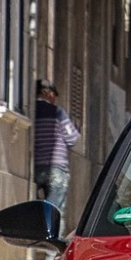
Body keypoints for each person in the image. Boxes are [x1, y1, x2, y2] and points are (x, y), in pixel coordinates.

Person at [33, 78, 80, 232]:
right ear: (47, 94)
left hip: (36, 168)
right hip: (56, 169)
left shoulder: (31, 111)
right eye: (53, 94)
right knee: (54, 210)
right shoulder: (58, 113)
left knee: (37, 208)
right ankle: (51, 250)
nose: (54, 98)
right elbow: (72, 138)